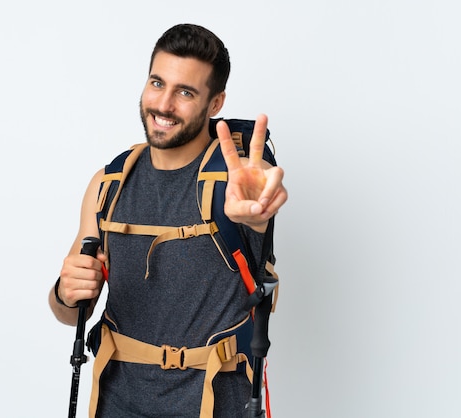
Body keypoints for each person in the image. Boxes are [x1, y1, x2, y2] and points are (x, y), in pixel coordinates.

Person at [49, 23, 288, 417]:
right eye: (157, 83)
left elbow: (257, 204)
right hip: (115, 402)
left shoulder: (237, 181)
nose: (163, 105)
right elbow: (68, 309)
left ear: (215, 104)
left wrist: (258, 211)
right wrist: (65, 292)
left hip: (214, 402)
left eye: (186, 92)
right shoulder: (109, 182)